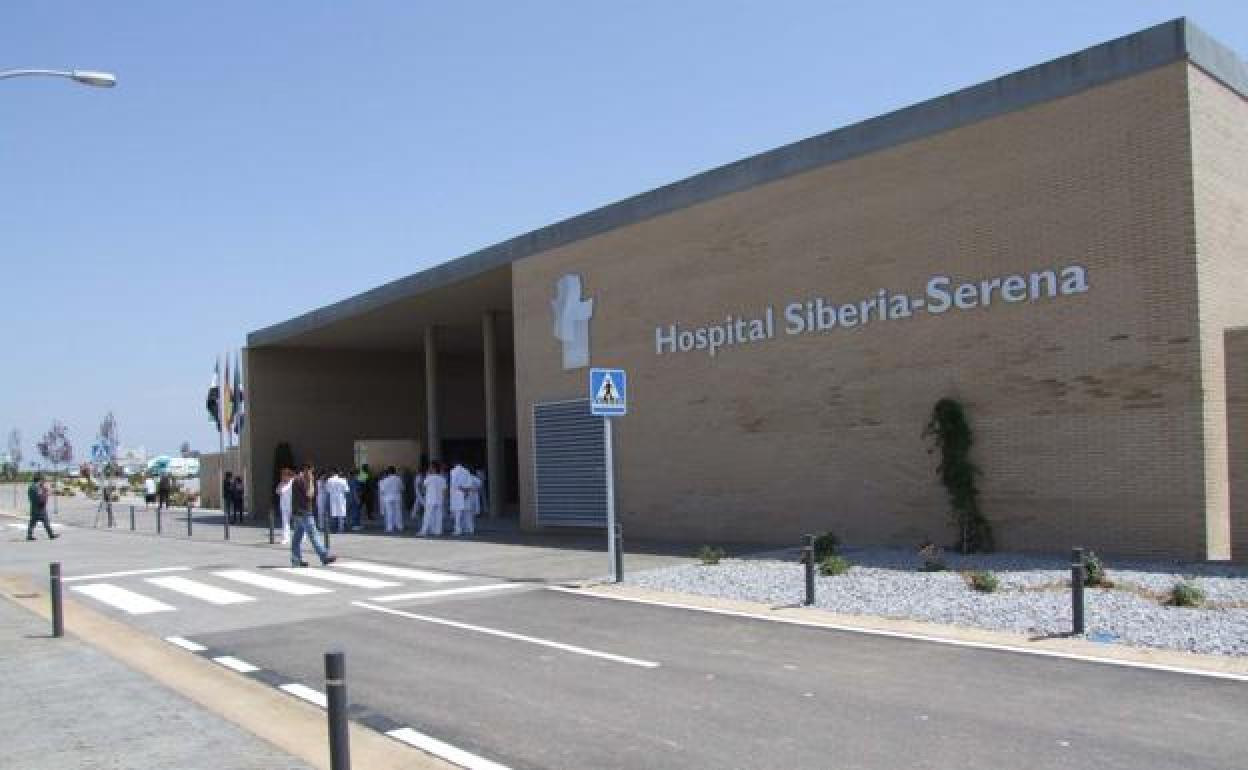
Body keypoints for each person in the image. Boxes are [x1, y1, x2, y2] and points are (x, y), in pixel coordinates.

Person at [290, 464, 336, 567]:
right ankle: (324, 556)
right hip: (305, 513)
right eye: (311, 472)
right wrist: (310, 481)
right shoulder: (302, 480)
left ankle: (296, 559)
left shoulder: (296, 479)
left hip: (297, 513)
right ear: (307, 470)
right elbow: (310, 494)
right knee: (314, 536)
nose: (312, 474)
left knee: (297, 538)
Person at [418, 461, 447, 536]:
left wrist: (427, 474)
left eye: (431, 467)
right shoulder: (442, 478)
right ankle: (437, 531)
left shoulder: (429, 478)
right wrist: (443, 499)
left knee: (427, 515)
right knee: (438, 516)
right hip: (439, 499)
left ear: (433, 469)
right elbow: (444, 490)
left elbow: (423, 486)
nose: (429, 468)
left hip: (430, 499)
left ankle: (424, 531)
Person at [26, 473, 58, 540]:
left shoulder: (30, 487)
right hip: (40, 508)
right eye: (41, 480)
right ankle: (51, 535)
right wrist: (46, 493)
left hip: (33, 507)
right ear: (39, 480)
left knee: (32, 523)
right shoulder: (38, 488)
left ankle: (29, 535)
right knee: (46, 522)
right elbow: (40, 496)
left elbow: (30, 497)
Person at [449, 460, 474, 536]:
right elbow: (470, 483)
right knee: (467, 513)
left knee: (458, 514)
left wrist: (460, 489)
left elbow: (454, 483)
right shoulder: (467, 471)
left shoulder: (453, 471)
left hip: (457, 494)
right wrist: (466, 491)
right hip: (466, 492)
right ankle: (470, 529)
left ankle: (458, 530)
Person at [379, 466, 405, 533]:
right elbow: (402, 488)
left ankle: (390, 527)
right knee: (398, 512)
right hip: (397, 497)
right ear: (394, 471)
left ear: (388, 472)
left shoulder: (385, 480)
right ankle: (400, 526)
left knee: (389, 512)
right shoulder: (398, 479)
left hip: (388, 498)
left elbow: (382, 490)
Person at [326, 468, 349, 533]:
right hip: (341, 497)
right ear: (338, 473)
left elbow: (328, 490)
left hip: (332, 498)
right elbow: (346, 490)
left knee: (334, 513)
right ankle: (341, 529)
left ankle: (333, 529)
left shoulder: (329, 480)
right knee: (341, 514)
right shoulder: (343, 480)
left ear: (333, 473)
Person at [276, 468, 295, 545]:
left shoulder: (293, 482)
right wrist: (281, 484)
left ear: (288, 476)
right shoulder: (281, 483)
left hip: (292, 505)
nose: (282, 477)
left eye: (284, 475)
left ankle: (302, 535)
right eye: (282, 476)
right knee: (285, 522)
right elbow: (277, 491)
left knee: (297, 522)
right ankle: (286, 538)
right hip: (283, 506)